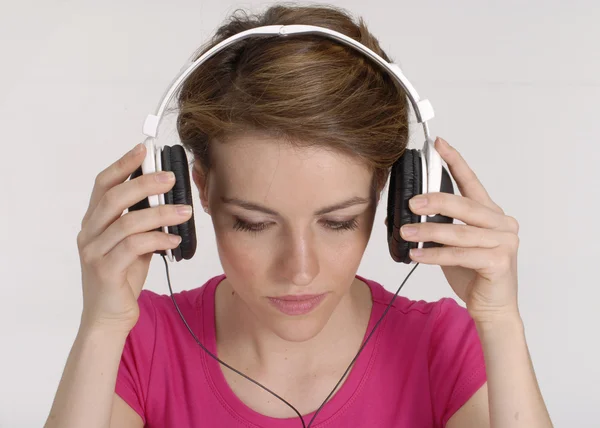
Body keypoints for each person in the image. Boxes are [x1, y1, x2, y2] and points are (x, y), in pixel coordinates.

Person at [44, 4, 553, 428]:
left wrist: (502, 322)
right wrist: (102, 326)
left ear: (391, 195)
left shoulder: (444, 347)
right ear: (194, 191)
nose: (300, 271)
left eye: (338, 222)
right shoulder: (138, 342)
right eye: (254, 223)